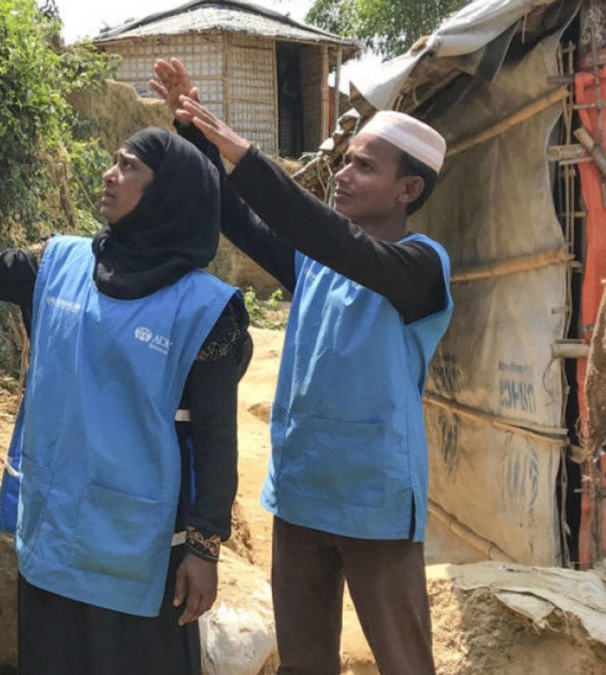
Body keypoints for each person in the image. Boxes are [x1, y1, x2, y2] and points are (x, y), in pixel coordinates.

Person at [0, 100, 250, 674]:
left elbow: (214, 438)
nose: (110, 173)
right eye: (114, 161)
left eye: (129, 167)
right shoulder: (58, 263)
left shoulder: (204, 311)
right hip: (55, 534)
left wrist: (204, 549)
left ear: (169, 193)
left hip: (142, 550)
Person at [153, 58, 453, 674]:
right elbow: (240, 217)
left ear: (409, 190)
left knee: (404, 661)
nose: (342, 173)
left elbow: (331, 238)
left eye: (364, 165)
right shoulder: (316, 261)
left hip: (374, 502)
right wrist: (195, 131)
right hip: (299, 495)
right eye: (345, 159)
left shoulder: (421, 268)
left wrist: (242, 150)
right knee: (305, 662)